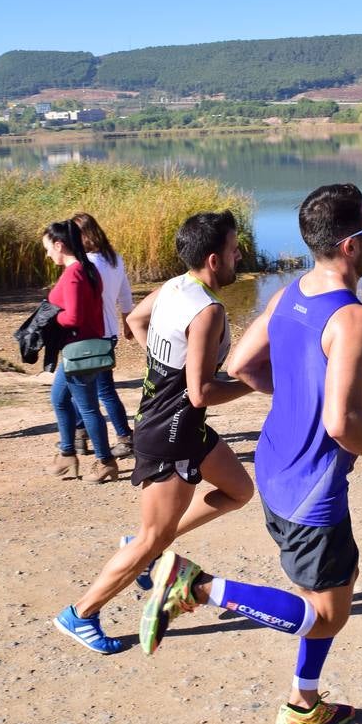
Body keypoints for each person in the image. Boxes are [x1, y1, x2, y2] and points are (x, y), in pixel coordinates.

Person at [138, 184, 362, 724]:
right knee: (328, 613)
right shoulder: (356, 320)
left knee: (343, 580)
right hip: (312, 485)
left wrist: (295, 397)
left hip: (276, 463)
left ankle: (302, 704)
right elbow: (342, 423)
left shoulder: (291, 295)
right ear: (352, 245)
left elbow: (240, 365)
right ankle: (197, 586)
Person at [52, 210, 255, 655]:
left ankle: (148, 544)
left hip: (175, 421)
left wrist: (163, 368)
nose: (240, 254)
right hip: (171, 432)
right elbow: (201, 392)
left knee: (239, 490)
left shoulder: (175, 286)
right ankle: (81, 613)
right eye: (234, 248)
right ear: (214, 259)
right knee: (152, 538)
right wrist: (256, 383)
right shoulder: (207, 310)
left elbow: (134, 324)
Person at [44, 219, 118, 483]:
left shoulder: (75, 273)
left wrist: (51, 318)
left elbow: (74, 317)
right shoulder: (88, 270)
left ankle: (105, 461)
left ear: (59, 245)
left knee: (87, 409)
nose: (48, 254)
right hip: (82, 347)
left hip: (80, 350)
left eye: (48, 248)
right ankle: (67, 456)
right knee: (60, 399)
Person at [71, 212, 135, 459]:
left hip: (88, 333)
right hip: (108, 333)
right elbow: (126, 295)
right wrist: (127, 323)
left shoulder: (84, 264)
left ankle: (122, 437)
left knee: (91, 388)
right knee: (94, 388)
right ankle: (83, 435)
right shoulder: (113, 259)